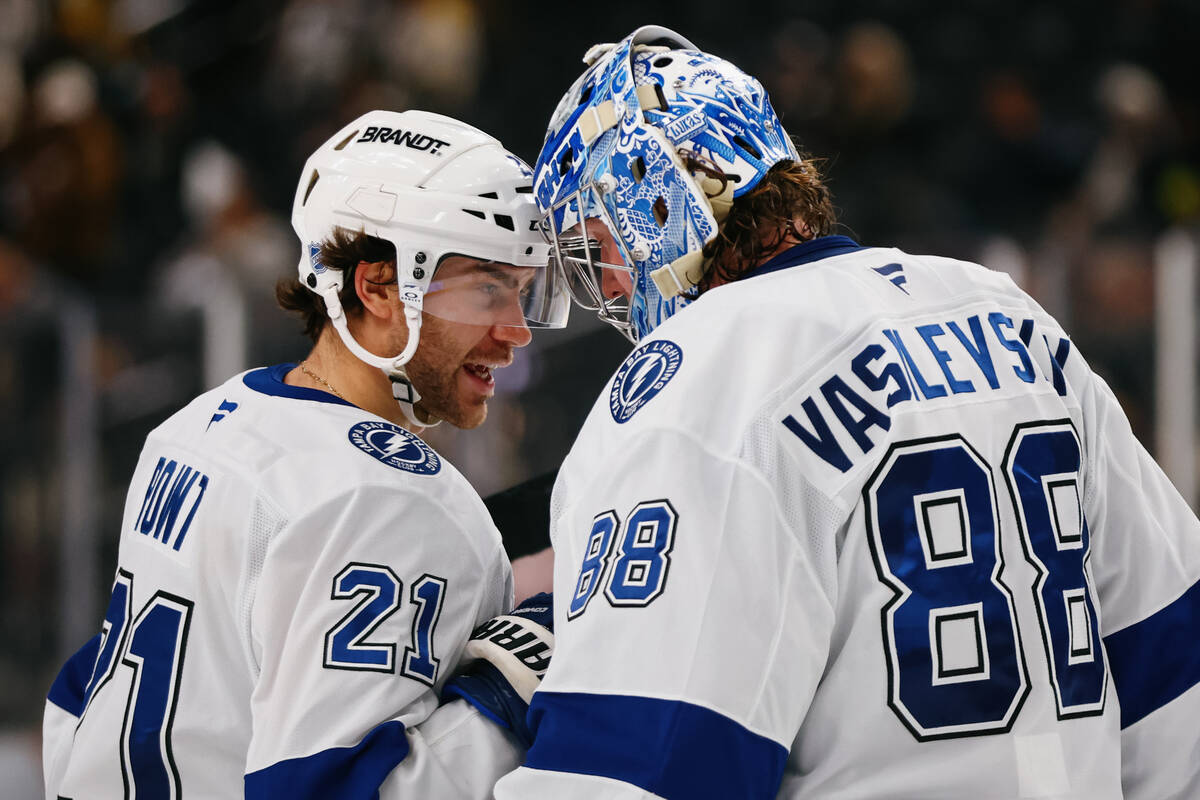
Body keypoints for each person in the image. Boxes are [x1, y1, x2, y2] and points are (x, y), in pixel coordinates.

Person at [495, 26, 1200, 799]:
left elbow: (638, 769)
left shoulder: (699, 376)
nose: (615, 290)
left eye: (599, 248)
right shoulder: (1006, 312)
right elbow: (1175, 668)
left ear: (657, 202)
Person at [42, 109, 563, 799]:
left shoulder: (199, 427)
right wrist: (510, 687)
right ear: (377, 286)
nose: (516, 332)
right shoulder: (394, 501)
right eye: (488, 288)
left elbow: (79, 698)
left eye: (523, 293)